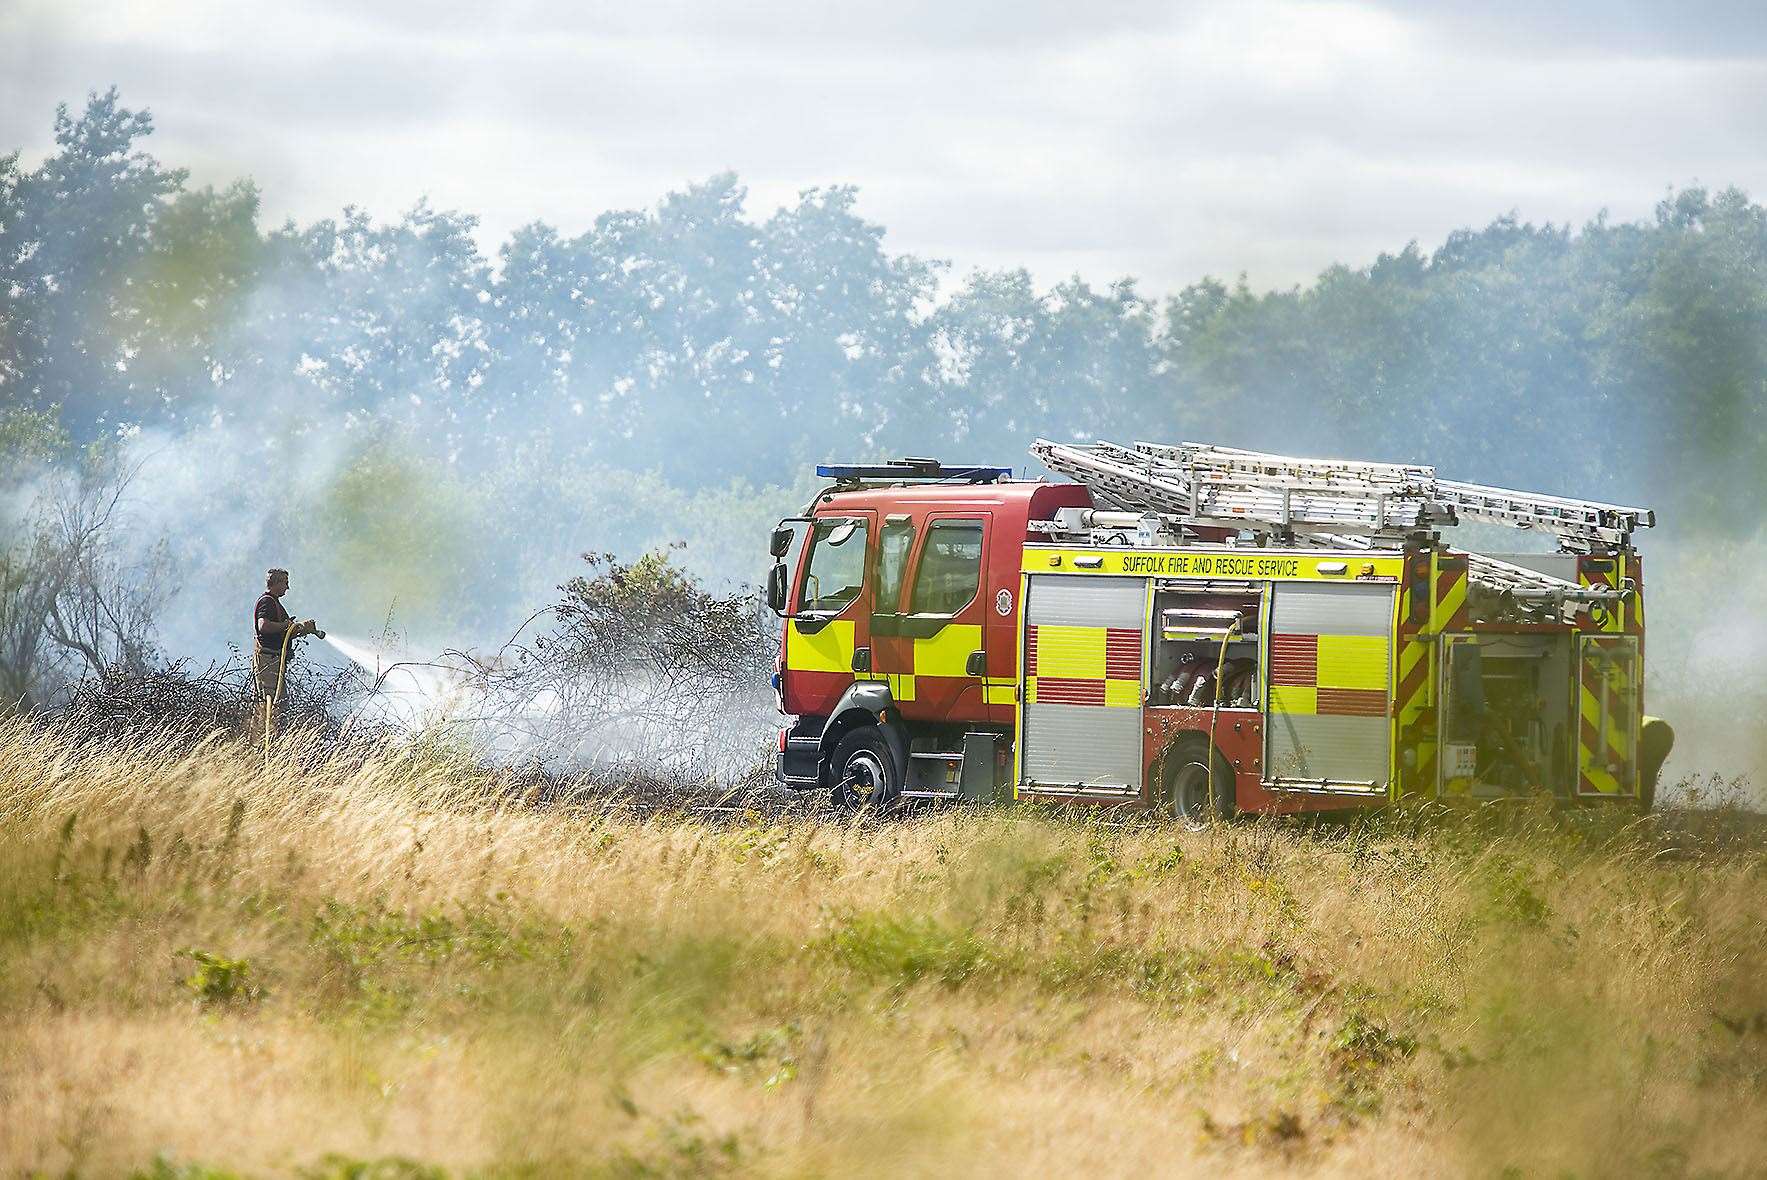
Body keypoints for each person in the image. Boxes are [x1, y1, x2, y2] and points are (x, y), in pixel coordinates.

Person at [253, 568, 320, 708]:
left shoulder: (274, 603)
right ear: (276, 583)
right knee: (270, 703)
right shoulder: (267, 602)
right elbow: (263, 626)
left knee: (280, 703)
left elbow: (282, 634)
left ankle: (275, 729)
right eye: (285, 583)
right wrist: (285, 625)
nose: (288, 587)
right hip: (268, 661)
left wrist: (301, 628)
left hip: (275, 661)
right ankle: (265, 730)